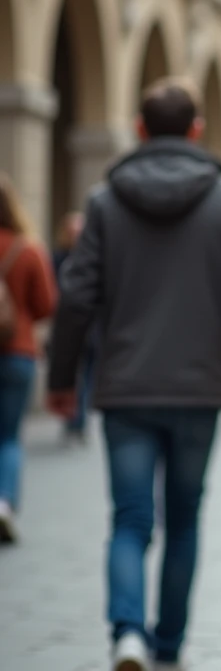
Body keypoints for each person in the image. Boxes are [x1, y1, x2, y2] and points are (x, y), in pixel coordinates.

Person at [46, 78, 221, 670]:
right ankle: (168, 644)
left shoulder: (104, 202)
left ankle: (127, 633)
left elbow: (75, 299)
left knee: (130, 519)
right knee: (183, 519)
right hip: (198, 387)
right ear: (197, 130)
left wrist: (61, 378)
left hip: (125, 387)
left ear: (139, 129)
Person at [0, 174, 58, 544]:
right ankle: (3, 503)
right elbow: (47, 305)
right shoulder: (27, 249)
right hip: (18, 353)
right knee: (8, 436)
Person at [52, 211, 93, 443]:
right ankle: (74, 420)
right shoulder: (58, 258)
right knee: (77, 376)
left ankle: (78, 421)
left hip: (91, 331)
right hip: (68, 327)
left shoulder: (95, 258)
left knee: (86, 376)